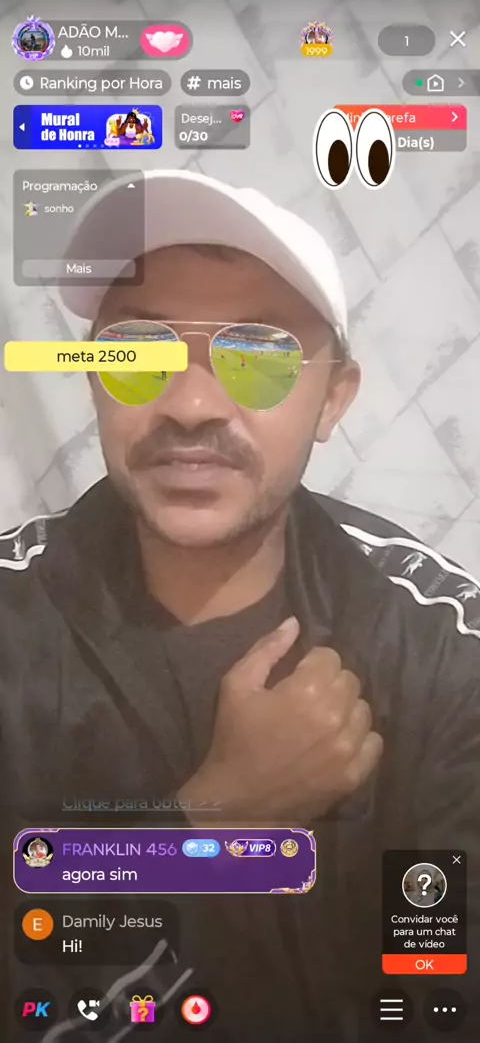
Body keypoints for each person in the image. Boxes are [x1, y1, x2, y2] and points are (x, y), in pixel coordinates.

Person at [1, 170, 479, 1041]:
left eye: (258, 357)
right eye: (138, 353)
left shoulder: (443, 648)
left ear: (334, 398)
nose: (190, 405)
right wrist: (217, 826)